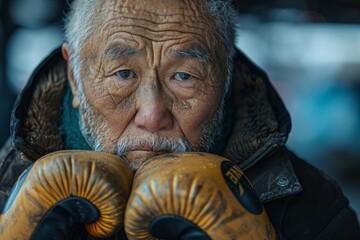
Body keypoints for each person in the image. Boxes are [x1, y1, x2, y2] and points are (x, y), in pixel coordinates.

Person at [0, 0, 359, 239]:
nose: (153, 114)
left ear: (226, 76)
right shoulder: (6, 190)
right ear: (76, 80)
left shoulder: (313, 210)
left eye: (184, 76)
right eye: (123, 73)